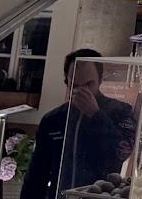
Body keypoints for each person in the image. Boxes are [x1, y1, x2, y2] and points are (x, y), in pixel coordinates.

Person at [20, 50, 135, 199]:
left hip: (101, 194)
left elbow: (122, 151)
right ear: (67, 82)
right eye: (74, 85)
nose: (82, 91)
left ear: (100, 80)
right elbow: (37, 174)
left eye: (89, 84)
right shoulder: (53, 119)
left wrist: (95, 114)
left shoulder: (120, 111)